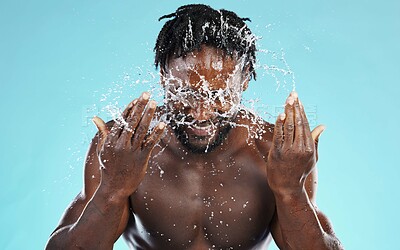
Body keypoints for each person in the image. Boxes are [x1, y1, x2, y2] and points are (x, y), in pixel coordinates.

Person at [46, 4, 343, 250]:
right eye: (185, 93)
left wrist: (291, 190)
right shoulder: (123, 145)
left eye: (220, 96)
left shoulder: (275, 152)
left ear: (245, 82)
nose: (201, 112)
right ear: (164, 78)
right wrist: (111, 189)